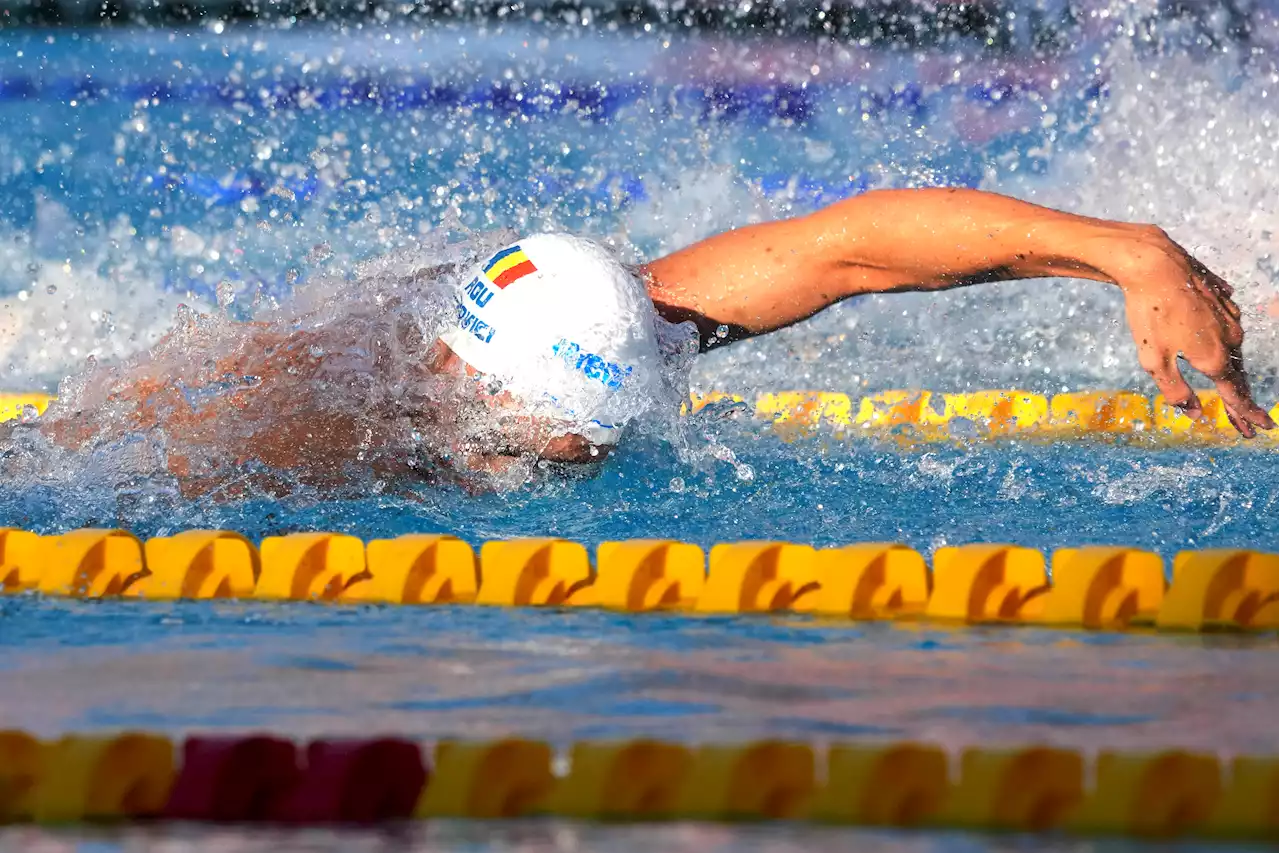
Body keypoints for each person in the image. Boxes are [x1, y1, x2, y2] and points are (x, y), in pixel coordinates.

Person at [26, 187, 1276, 493]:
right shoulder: (299, 427)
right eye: (567, 433)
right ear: (467, 392)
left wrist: (1129, 252)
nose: (584, 453)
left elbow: (852, 246)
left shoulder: (624, 317)